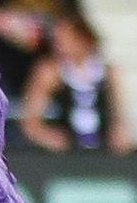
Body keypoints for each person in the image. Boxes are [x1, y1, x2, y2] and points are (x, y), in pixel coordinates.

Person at [12, 13, 117, 152]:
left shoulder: (108, 72)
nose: (58, 47)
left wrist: (118, 133)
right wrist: (47, 137)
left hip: (102, 148)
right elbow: (30, 121)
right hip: (66, 150)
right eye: (56, 42)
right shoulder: (50, 72)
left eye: (64, 41)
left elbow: (118, 116)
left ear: (83, 40)